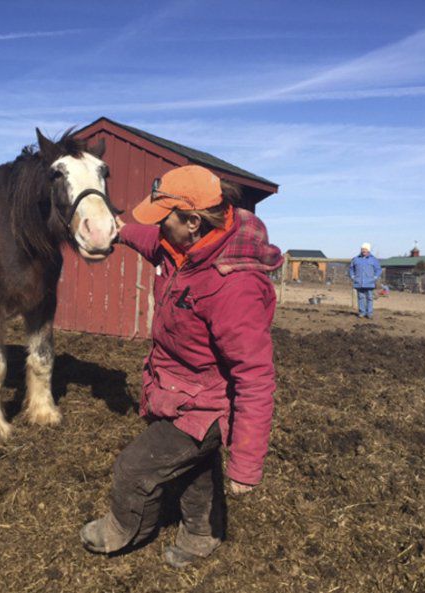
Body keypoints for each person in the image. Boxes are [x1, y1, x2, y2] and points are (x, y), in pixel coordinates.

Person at [79, 165, 283, 568]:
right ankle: (201, 534)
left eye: (164, 219)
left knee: (134, 469)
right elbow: (154, 241)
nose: (158, 227)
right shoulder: (189, 245)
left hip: (204, 405)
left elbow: (256, 377)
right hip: (180, 387)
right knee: (194, 469)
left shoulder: (232, 287)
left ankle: (124, 530)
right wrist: (119, 232)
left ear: (192, 221)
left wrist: (246, 462)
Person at [349, 243, 382, 319]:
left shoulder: (373, 259)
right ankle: (362, 312)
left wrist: (375, 277)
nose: (364, 250)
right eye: (362, 249)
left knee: (369, 297)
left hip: (370, 282)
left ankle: (369, 313)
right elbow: (351, 269)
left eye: (365, 249)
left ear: (368, 250)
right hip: (359, 282)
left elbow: (378, 269)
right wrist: (352, 276)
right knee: (360, 297)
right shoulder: (356, 259)